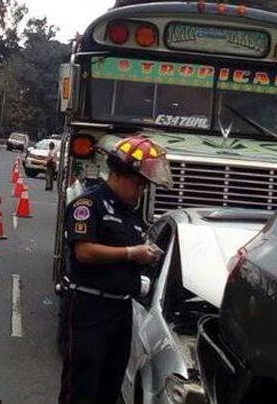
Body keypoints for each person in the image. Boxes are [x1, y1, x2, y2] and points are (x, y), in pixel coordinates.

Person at [58, 135, 172, 404]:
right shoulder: (88, 205)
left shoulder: (131, 215)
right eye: (139, 183)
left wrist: (147, 256)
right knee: (81, 388)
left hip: (120, 312)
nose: (141, 191)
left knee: (110, 390)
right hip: (89, 309)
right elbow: (84, 252)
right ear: (122, 173)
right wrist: (132, 253)